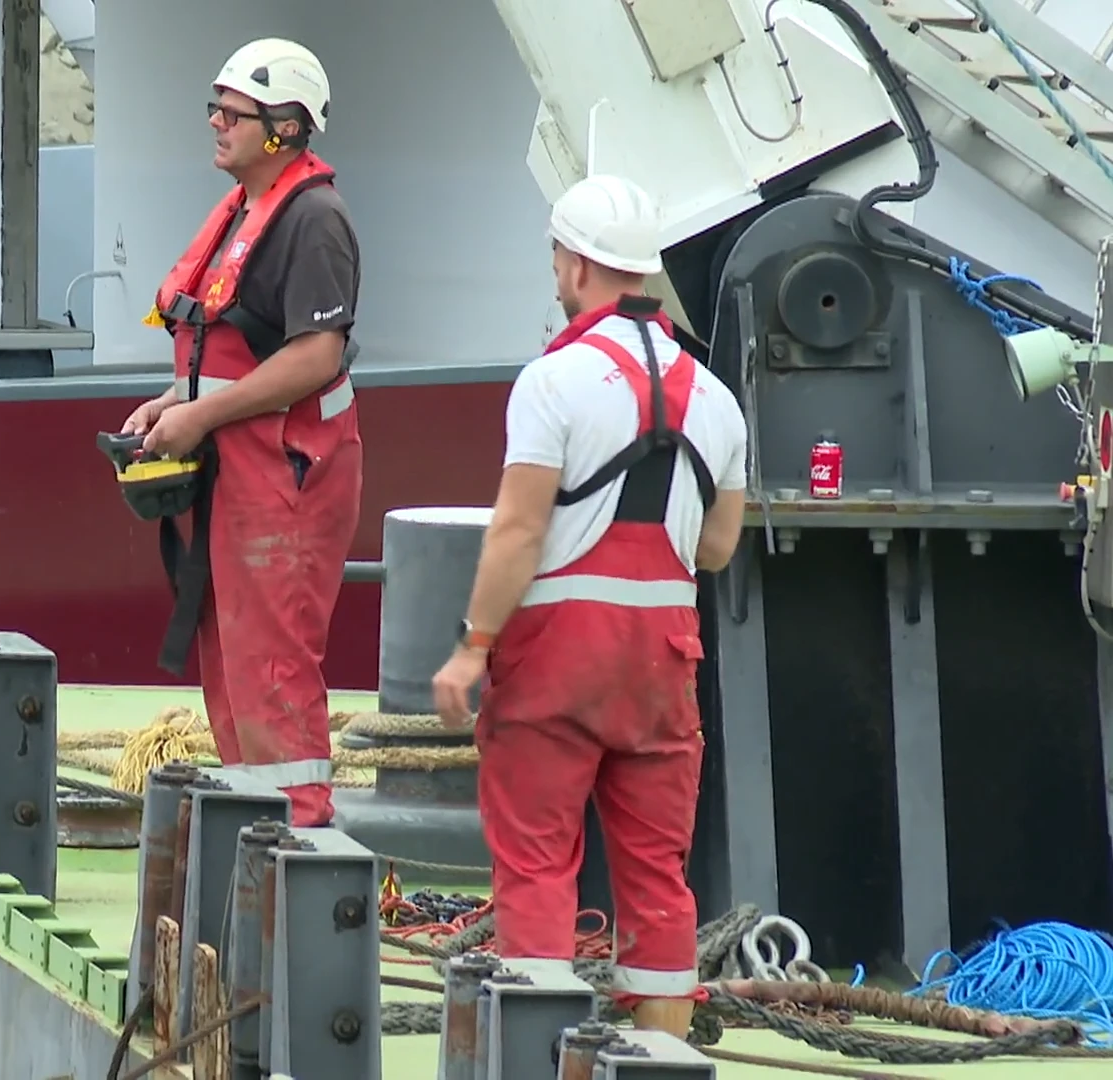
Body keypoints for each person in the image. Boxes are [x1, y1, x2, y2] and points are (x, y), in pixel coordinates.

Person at [429, 174, 748, 1037]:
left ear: (571, 264)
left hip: (557, 660)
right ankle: (663, 1059)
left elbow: (518, 529)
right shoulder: (717, 399)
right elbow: (717, 548)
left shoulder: (553, 381)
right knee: (656, 875)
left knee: (535, 868)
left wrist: (472, 646)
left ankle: (536, 1052)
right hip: (662, 664)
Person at [121, 37, 363, 827]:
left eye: (235, 112)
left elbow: (315, 356)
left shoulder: (315, 220)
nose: (216, 123)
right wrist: (170, 403)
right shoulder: (245, 211)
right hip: (237, 471)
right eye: (215, 108)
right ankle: (253, 830)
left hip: (285, 478)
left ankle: (297, 838)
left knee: (274, 664)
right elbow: (228, 347)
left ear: (286, 129)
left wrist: (199, 415)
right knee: (228, 657)